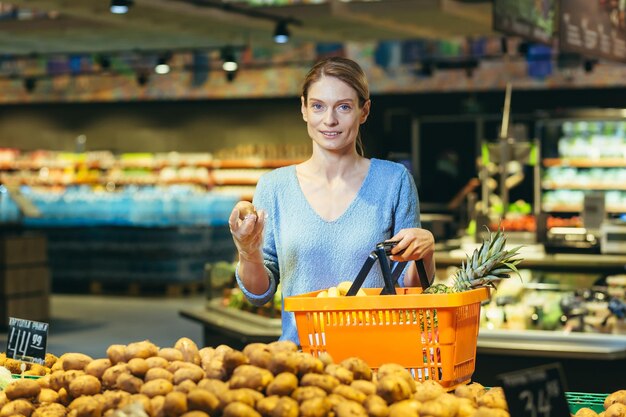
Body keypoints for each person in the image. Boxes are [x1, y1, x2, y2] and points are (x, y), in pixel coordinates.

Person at [228, 56, 436, 344]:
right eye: (318, 106)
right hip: (300, 363)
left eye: (344, 107)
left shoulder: (394, 181)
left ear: (364, 111)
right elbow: (259, 294)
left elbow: (410, 288)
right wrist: (248, 252)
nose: (330, 120)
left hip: (377, 360)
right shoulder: (274, 186)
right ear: (303, 109)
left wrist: (424, 250)